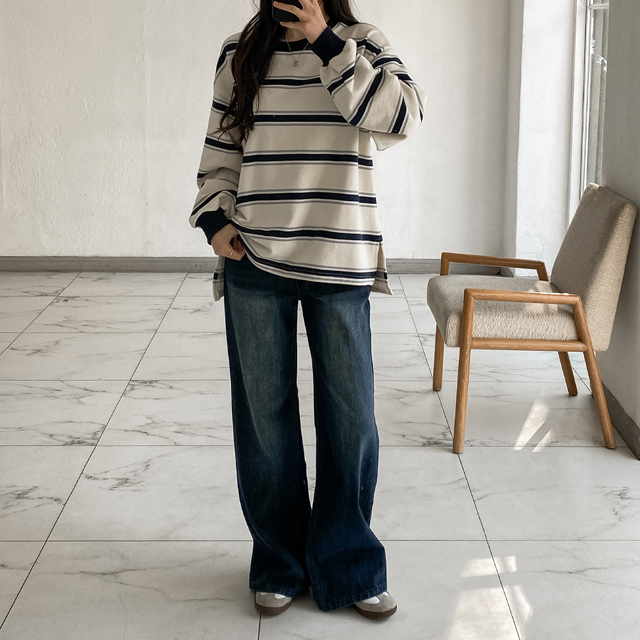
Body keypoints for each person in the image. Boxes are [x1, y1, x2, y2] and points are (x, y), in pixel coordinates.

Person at [189, 0, 427, 619]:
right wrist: (215, 221)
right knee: (263, 421)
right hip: (255, 258)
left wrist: (326, 43)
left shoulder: (361, 42)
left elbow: (402, 117)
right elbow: (219, 151)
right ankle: (279, 562)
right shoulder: (241, 52)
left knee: (352, 420)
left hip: (340, 260)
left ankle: (349, 564)